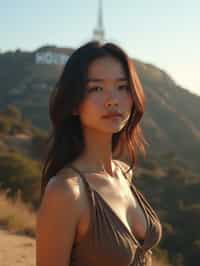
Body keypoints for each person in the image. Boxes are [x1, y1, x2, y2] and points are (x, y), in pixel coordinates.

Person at [36, 41, 162, 266]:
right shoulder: (66, 191)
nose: (113, 99)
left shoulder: (124, 173)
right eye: (96, 88)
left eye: (122, 87)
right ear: (74, 104)